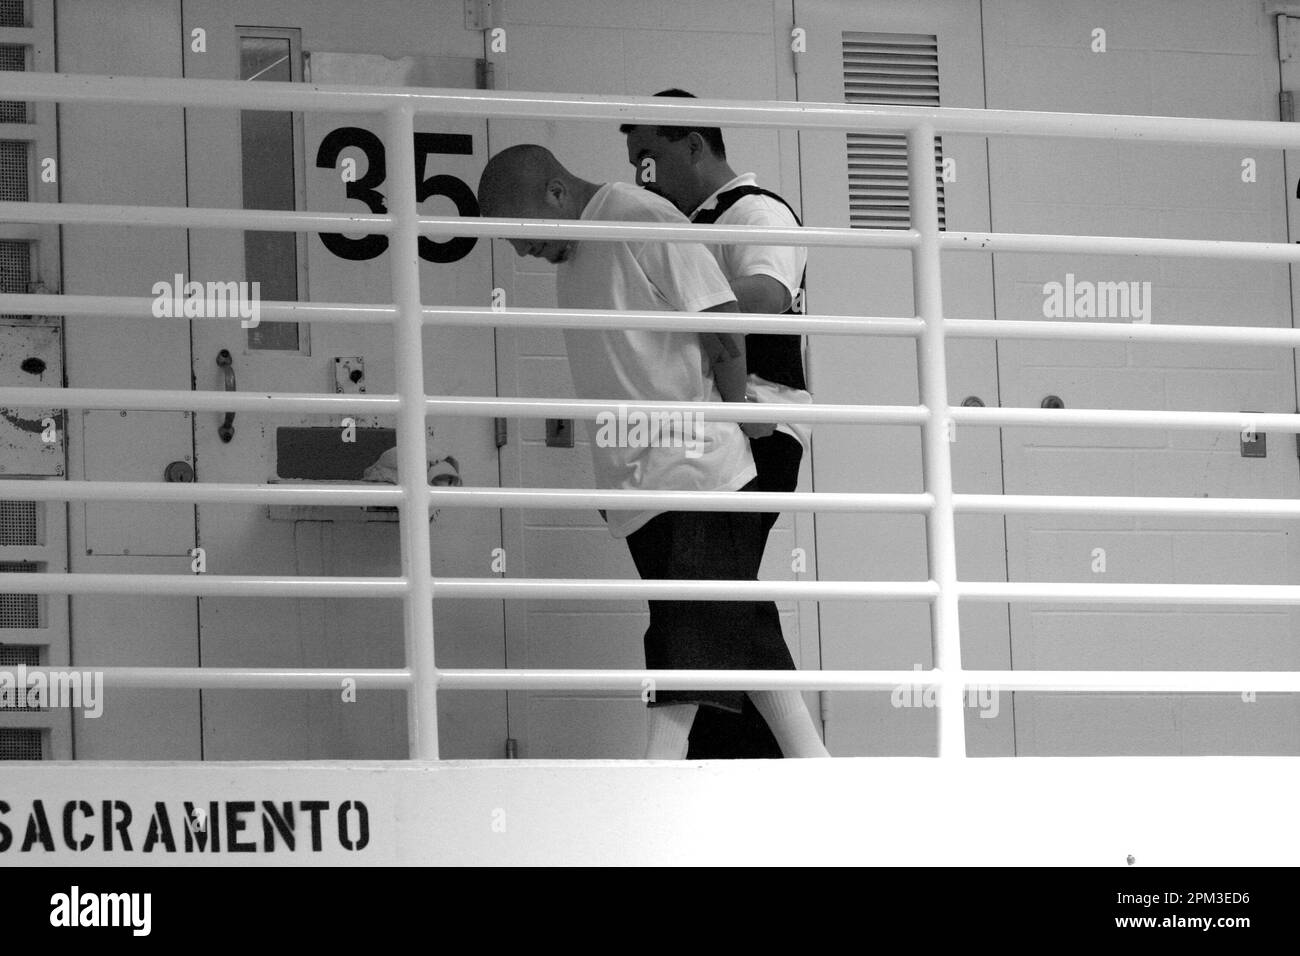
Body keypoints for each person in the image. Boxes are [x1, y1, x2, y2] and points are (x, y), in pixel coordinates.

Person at [477, 144, 827, 759]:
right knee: (738, 623)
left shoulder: (639, 217)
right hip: (646, 484)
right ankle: (818, 773)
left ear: (557, 193)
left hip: (696, 469)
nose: (520, 251)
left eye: (520, 232)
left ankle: (652, 783)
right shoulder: (578, 256)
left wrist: (741, 416)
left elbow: (722, 317)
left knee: (684, 629)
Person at [621, 89, 822, 759]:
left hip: (756, 429)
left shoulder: (755, 212)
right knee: (715, 596)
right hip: (710, 432)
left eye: (647, 158)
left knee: (705, 588)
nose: (639, 175)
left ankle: (690, 768)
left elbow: (766, 299)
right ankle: (762, 765)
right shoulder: (689, 221)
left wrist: (691, 300)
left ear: (694, 146)